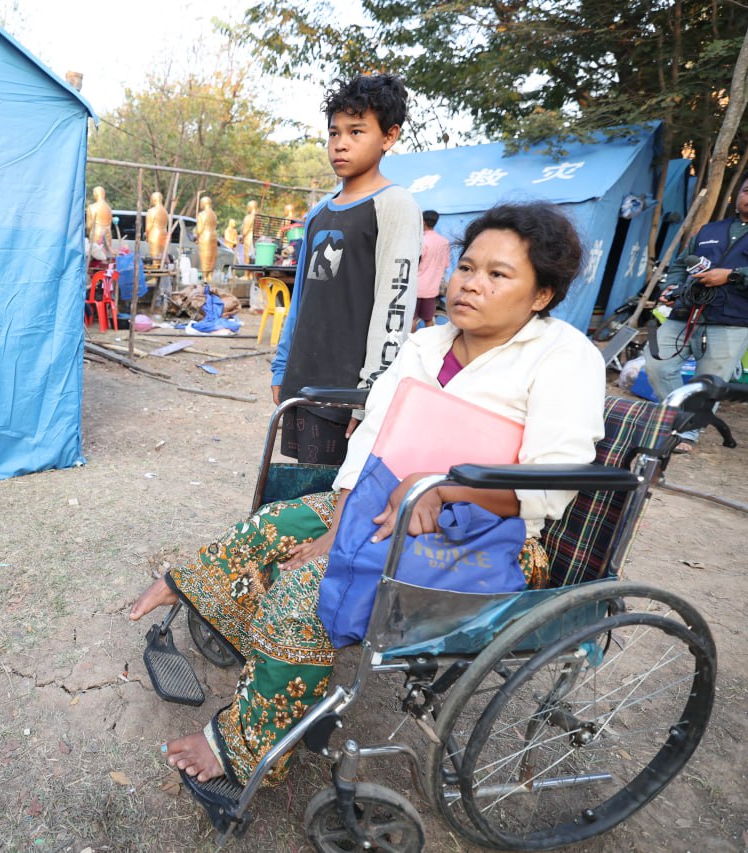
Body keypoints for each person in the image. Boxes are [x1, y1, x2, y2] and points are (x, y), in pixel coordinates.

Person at [130, 201, 605, 787]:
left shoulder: (564, 357)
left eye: (497, 274)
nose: (470, 284)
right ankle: (221, 614)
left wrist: (446, 491)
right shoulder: (426, 344)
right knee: (273, 526)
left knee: (308, 589)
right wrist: (338, 525)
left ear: (541, 295)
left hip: (484, 542)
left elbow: (552, 484)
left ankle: (248, 746)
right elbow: (373, 438)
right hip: (386, 504)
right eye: (466, 267)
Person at [271, 74, 422, 465]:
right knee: (307, 485)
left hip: (350, 392)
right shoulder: (319, 212)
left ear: (389, 136)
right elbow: (301, 299)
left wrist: (372, 392)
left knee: (342, 492)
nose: (340, 143)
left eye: (356, 131)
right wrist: (282, 366)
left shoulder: (395, 206)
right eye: (334, 133)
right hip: (305, 380)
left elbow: (394, 307)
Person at [645, 178, 748, 453]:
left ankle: (687, 432)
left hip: (732, 320)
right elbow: (681, 264)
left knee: (709, 381)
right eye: (747, 190)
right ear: (737, 194)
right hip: (686, 312)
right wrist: (672, 286)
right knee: (657, 363)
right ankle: (677, 417)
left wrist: (733, 275)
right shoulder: (710, 230)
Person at [416, 210, 450, 329]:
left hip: (416, 288)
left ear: (423, 222)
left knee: (411, 320)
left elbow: (415, 263)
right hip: (432, 289)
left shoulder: (421, 241)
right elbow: (446, 264)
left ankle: (410, 341)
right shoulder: (444, 242)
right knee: (429, 320)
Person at [86, 186, 113, 264]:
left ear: (95, 194)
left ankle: (93, 268)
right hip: (107, 232)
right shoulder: (109, 208)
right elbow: (110, 223)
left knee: (94, 254)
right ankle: (104, 268)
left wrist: (88, 232)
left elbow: (89, 225)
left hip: (96, 232)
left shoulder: (92, 207)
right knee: (103, 255)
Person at [196, 196, 219, 280]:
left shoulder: (202, 214)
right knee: (212, 256)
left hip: (205, 236)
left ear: (203, 203)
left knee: (205, 256)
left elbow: (199, 230)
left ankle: (205, 277)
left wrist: (197, 237)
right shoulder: (214, 214)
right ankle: (210, 275)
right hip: (214, 235)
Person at [146, 191, 170, 264]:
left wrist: (147, 236)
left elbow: (148, 227)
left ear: (154, 199)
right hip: (164, 234)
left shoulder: (152, 211)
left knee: (155, 258)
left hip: (155, 235)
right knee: (161, 257)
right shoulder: (165, 211)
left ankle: (155, 270)